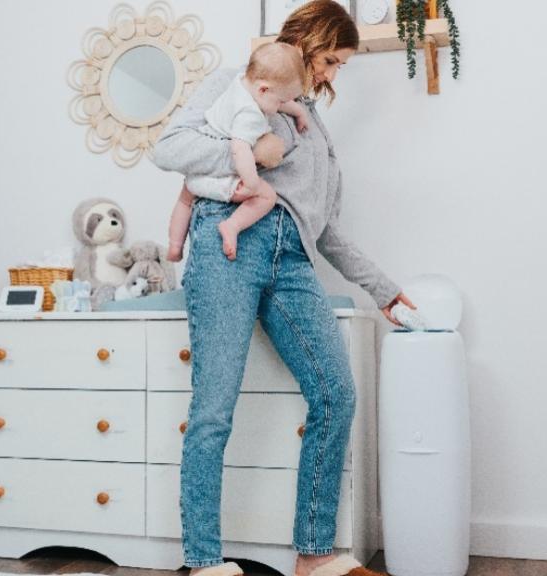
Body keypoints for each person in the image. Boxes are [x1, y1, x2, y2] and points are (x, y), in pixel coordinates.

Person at [152, 2, 415, 576]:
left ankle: (315, 555)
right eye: (330, 60)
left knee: (335, 393)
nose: (331, 74)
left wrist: (384, 289)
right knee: (213, 410)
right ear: (307, 43)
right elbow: (168, 148)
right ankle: (203, 561)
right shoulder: (238, 80)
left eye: (339, 66)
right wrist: (245, 154)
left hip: (292, 258)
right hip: (229, 247)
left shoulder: (311, 122)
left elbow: (324, 228)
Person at [167, 42, 309, 263]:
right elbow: (239, 149)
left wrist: (297, 110)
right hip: (215, 177)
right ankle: (231, 226)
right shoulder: (249, 115)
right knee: (267, 196)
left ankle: (174, 246)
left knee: (184, 201)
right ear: (263, 90)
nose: (282, 105)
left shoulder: (243, 81)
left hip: (199, 167)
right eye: (282, 101)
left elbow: (274, 96)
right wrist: (251, 182)